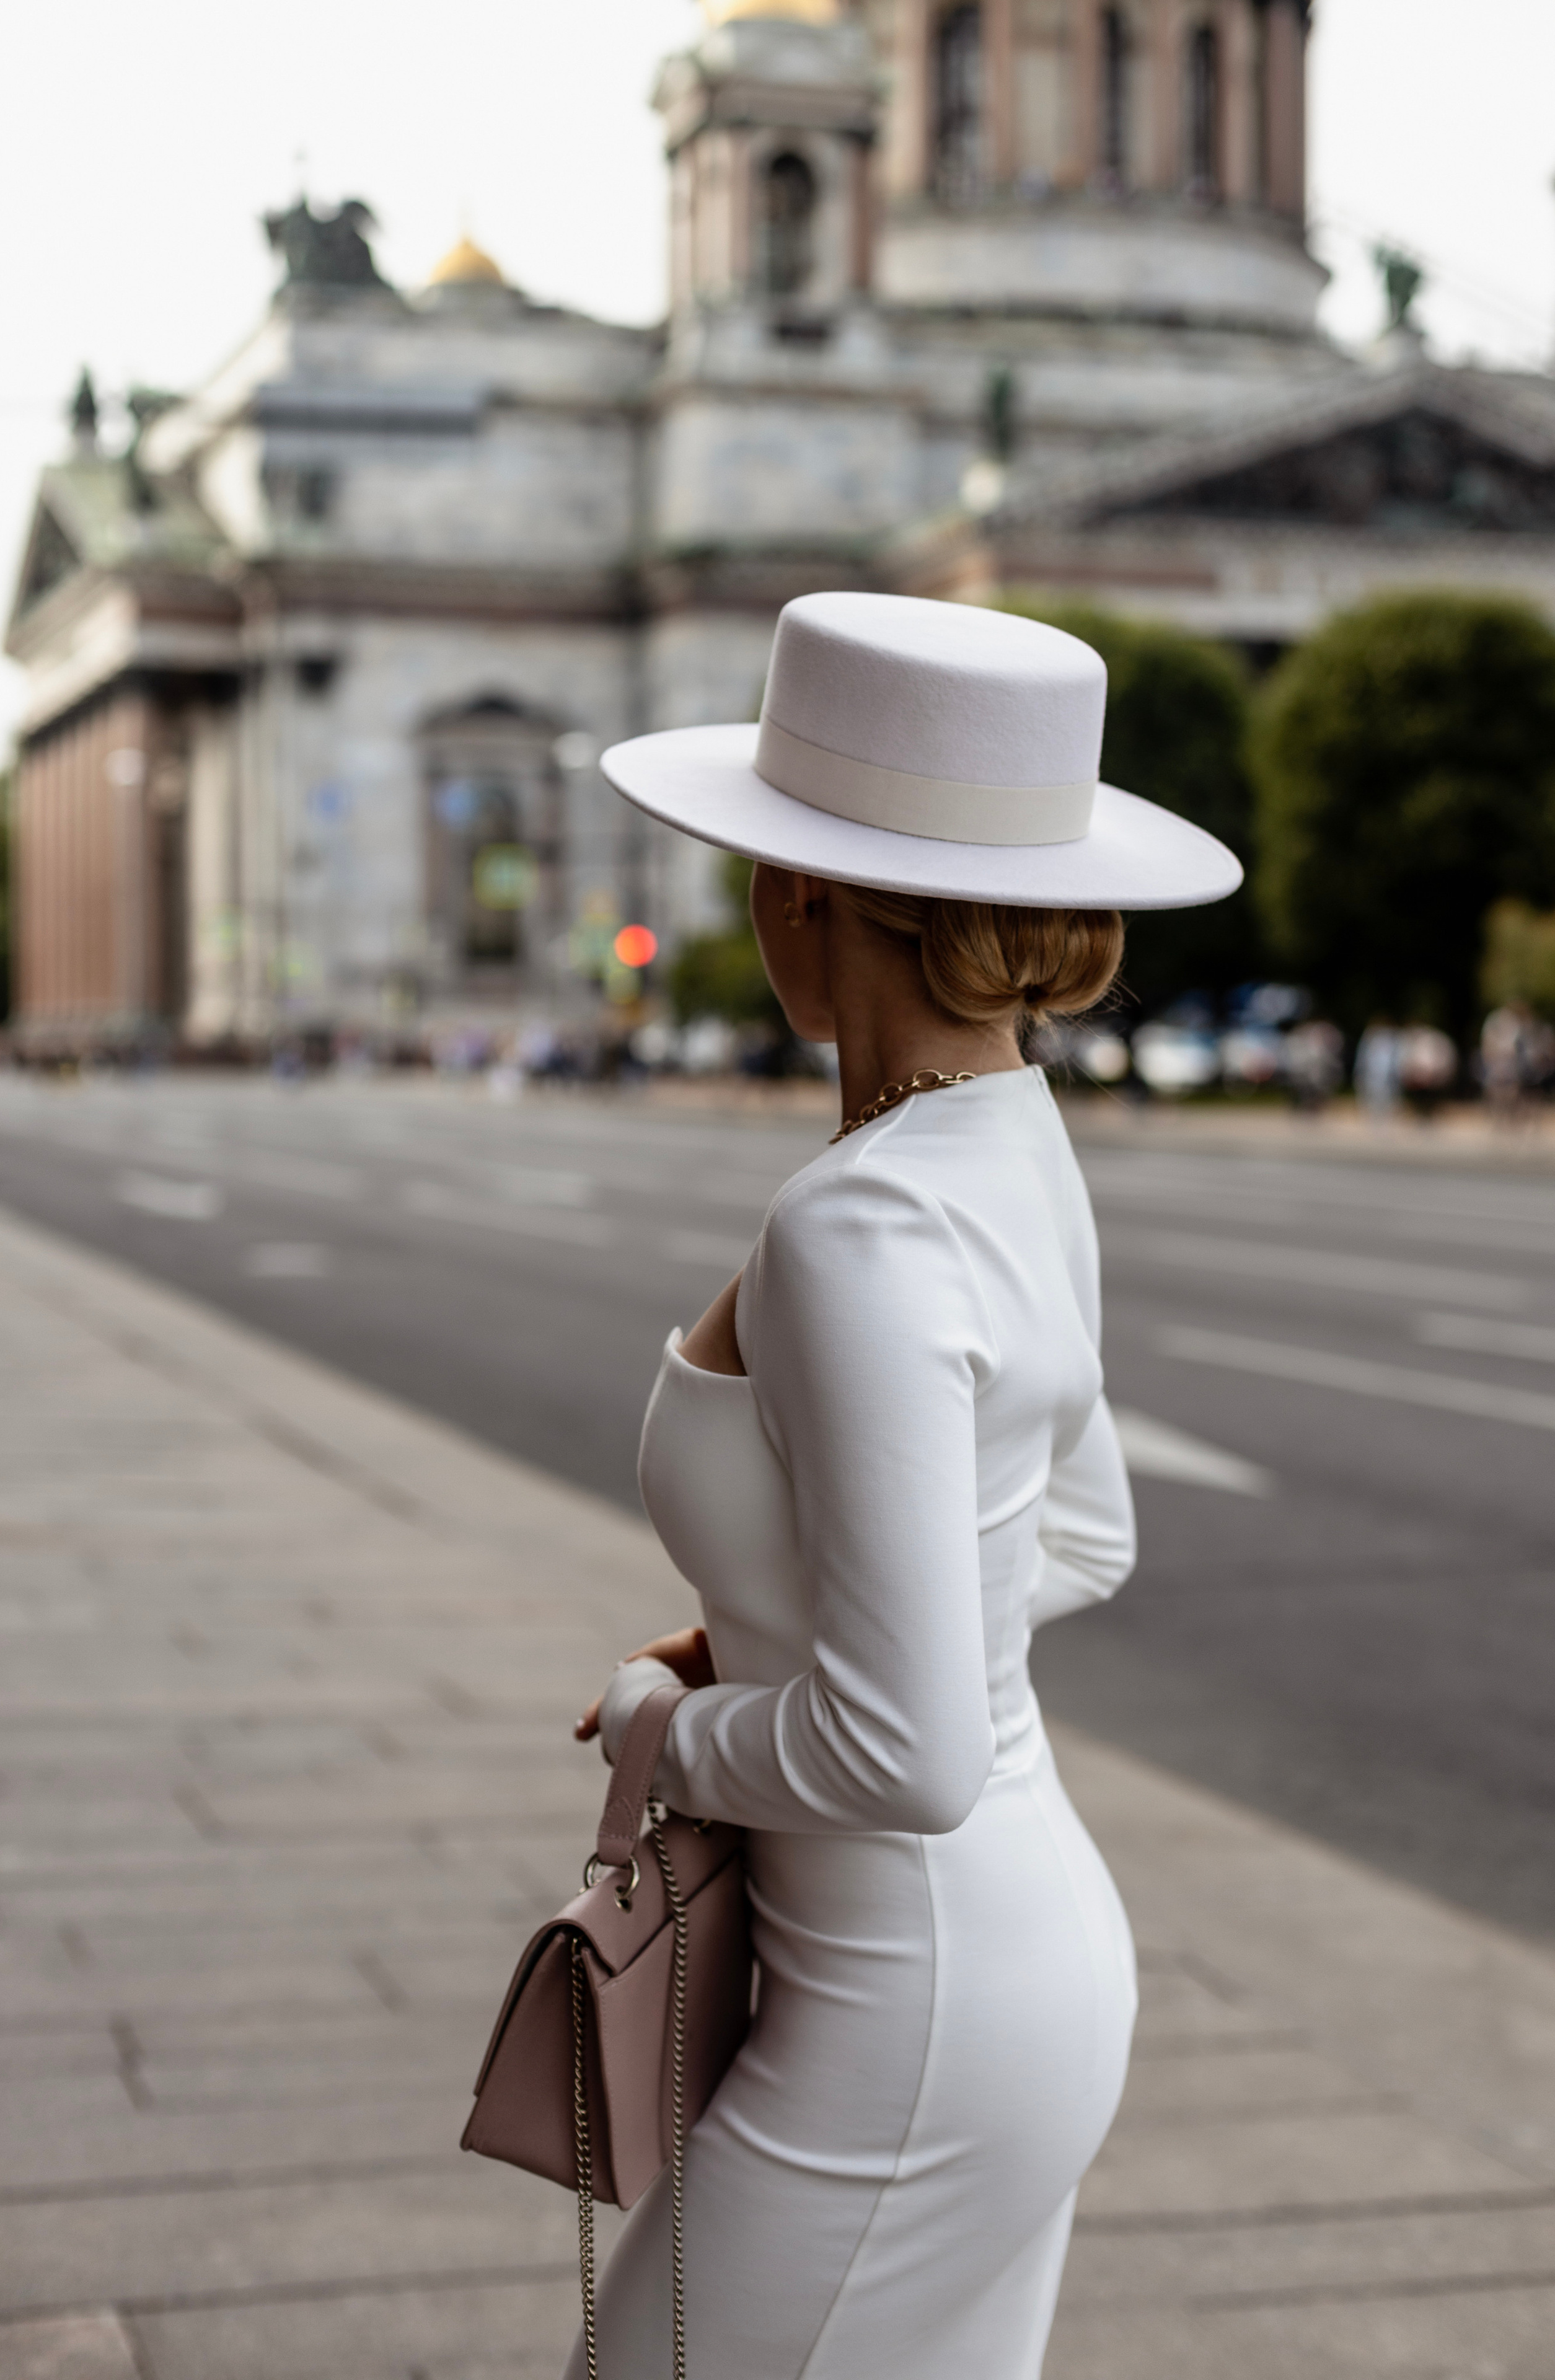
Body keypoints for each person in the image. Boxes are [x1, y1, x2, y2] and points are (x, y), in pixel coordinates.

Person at [573, 594, 1243, 2380]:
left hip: (910, 2020)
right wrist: (800, 1632)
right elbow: (1083, 1534)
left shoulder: (860, 1219)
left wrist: (667, 1721)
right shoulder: (1012, 1140)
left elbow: (905, 1754)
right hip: (1004, 1978)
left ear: (796, 896)